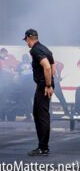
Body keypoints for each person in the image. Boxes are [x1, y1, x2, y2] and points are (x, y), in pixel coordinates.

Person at [24, 29, 55, 157]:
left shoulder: (36, 50)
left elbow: (47, 66)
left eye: (26, 40)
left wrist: (48, 85)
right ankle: (42, 146)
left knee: (42, 116)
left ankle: (43, 148)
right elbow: (52, 66)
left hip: (43, 85)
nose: (26, 43)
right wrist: (51, 81)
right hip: (44, 84)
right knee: (37, 114)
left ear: (28, 39)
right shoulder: (45, 48)